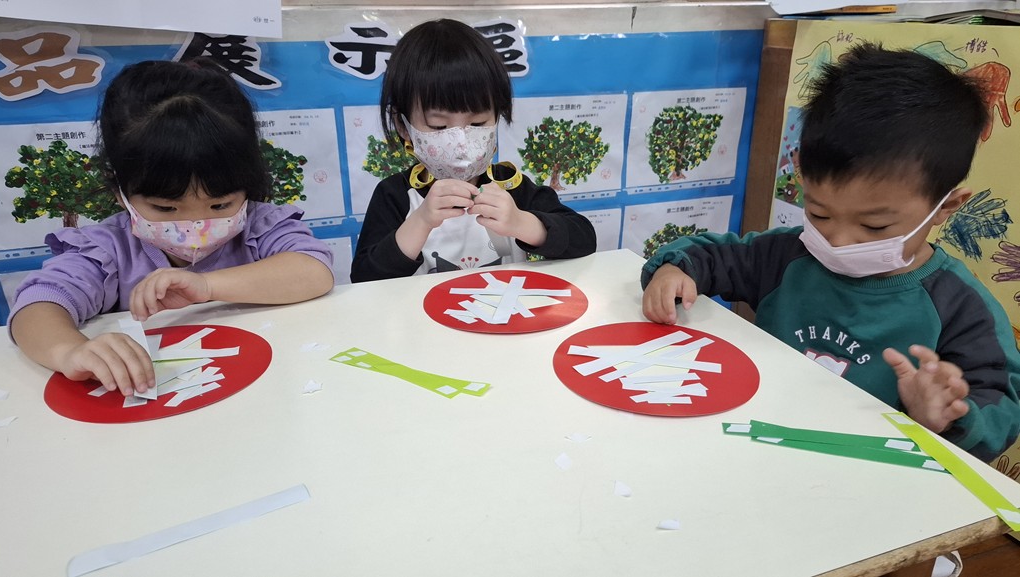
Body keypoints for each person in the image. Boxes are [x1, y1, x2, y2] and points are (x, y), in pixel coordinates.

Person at [642, 43, 1020, 467]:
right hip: (760, 448)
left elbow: (1003, 408)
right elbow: (714, 255)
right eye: (819, 213)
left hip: (871, 474)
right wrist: (674, 269)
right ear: (801, 172)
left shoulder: (960, 306)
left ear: (945, 208)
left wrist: (948, 418)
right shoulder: (788, 255)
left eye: (874, 226)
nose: (838, 240)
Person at [9, 59, 335, 397]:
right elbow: (37, 305)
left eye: (220, 205)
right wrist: (70, 351)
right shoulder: (108, 249)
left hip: (264, 390)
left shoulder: (260, 226)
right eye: (165, 208)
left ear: (247, 185)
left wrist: (206, 286)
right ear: (119, 191)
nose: (194, 225)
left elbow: (313, 270)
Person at [350, 18, 596, 282]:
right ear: (403, 126)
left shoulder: (512, 186)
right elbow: (364, 279)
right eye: (439, 126)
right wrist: (420, 221)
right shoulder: (395, 195)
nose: (460, 143)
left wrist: (522, 223)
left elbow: (584, 239)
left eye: (478, 123)